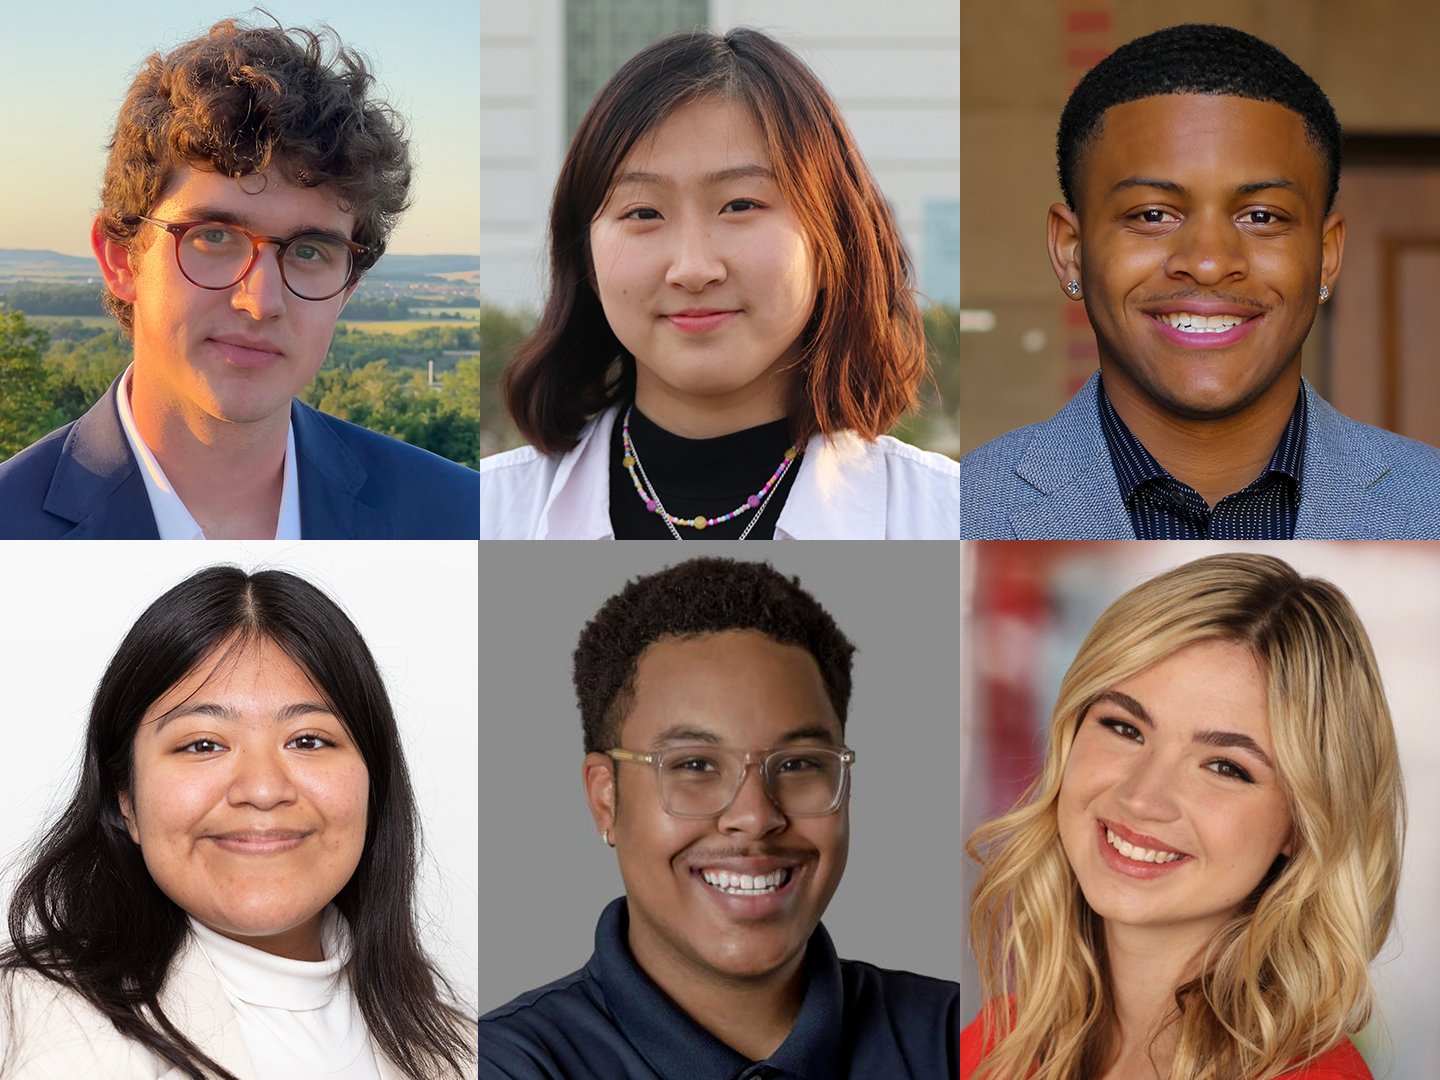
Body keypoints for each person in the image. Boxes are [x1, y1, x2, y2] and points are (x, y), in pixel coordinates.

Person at [0, 18, 479, 539]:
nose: (261, 300)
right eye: (214, 237)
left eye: (310, 250)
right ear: (121, 258)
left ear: (346, 290)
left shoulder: (461, 516)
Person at [478, 558, 958, 1077]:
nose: (754, 816)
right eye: (695, 765)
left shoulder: (962, 1039)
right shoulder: (500, 1066)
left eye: (797, 765)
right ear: (605, 798)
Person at [959, 23, 1440, 539]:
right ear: (1071, 252)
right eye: (1151, 214)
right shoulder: (956, 509)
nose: (1208, 263)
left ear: (1325, 257)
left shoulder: (1425, 502)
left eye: (1260, 216)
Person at [481, 28, 959, 539]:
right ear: (588, 261)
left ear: (830, 242)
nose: (692, 268)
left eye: (741, 205)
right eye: (643, 212)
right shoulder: (487, 514)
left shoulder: (950, 516)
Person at [0, 566, 476, 1079]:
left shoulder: (470, 1051)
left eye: (308, 740)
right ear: (126, 800)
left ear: (373, 783)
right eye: (203, 745)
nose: (263, 790)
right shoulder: (30, 1022)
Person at [962, 554, 1402, 1080]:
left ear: (1303, 823)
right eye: (1125, 728)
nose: (1143, 797)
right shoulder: (995, 1042)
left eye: (1224, 767)